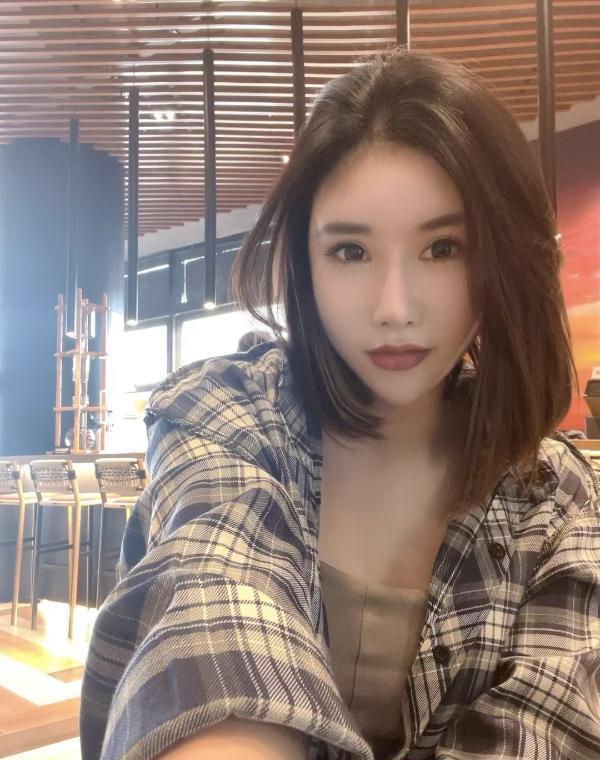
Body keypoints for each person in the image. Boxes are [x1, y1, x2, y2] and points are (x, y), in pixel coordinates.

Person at [80, 48, 600, 760]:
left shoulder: (553, 497)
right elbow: (215, 607)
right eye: (351, 252)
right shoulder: (232, 419)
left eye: (444, 248)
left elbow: (549, 725)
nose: (395, 308)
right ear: (305, 263)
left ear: (503, 257)